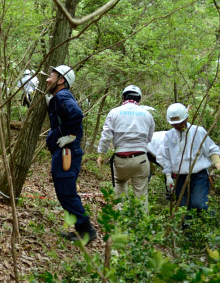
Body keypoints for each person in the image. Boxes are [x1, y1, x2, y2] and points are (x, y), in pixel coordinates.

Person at [45, 65, 97, 243]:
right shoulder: (58, 97)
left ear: (61, 81)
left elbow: (76, 114)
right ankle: (81, 230)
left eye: (51, 76)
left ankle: (87, 231)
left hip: (67, 151)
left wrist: (70, 136)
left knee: (66, 192)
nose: (47, 79)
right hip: (65, 150)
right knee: (64, 192)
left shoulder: (63, 95)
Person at [96, 85, 155, 212]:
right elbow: (149, 139)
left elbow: (106, 136)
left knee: (120, 186)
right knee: (141, 197)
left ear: (123, 97)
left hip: (121, 159)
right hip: (141, 159)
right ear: (139, 99)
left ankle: (122, 226)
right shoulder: (147, 115)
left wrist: (101, 154)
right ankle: (141, 228)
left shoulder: (114, 112)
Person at [161, 103, 220, 213]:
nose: (177, 126)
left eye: (179, 123)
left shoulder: (198, 131)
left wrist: (217, 162)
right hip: (180, 177)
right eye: (174, 124)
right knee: (183, 208)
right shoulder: (169, 136)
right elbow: (166, 157)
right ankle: (186, 230)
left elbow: (211, 149)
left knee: (199, 204)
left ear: (186, 118)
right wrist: (168, 175)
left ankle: (211, 222)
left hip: (198, 175)